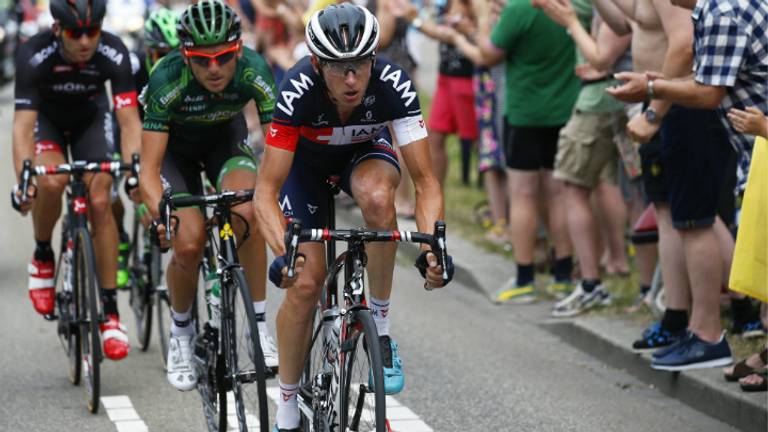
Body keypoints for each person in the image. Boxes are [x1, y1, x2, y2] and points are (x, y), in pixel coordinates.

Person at [252, 5, 453, 431]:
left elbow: (426, 181)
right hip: (303, 171)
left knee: (380, 200)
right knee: (306, 283)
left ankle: (379, 328)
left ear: (373, 60)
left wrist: (435, 245)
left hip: (362, 158)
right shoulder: (296, 90)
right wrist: (282, 251)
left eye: (360, 65)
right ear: (316, 63)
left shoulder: (394, 84)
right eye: (340, 68)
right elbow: (265, 193)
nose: (351, 79)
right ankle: (287, 405)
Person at [605, 0, 768, 370]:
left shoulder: (723, 11)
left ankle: (709, 331)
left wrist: (651, 93)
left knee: (697, 220)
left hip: (757, 142)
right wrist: (652, 85)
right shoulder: (710, 8)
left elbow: (708, 91)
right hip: (754, 149)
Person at [139, 0, 278, 390]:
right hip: (174, 155)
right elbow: (148, 170)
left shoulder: (254, 69)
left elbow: (279, 150)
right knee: (187, 243)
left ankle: (258, 327)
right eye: (202, 60)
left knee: (247, 211)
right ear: (185, 56)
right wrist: (158, 214)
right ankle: (181, 333)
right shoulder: (166, 78)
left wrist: (278, 199)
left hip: (224, 142)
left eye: (223, 57)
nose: (214, 69)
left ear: (238, 49)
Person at [11, 0, 142, 361]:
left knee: (101, 201)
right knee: (50, 183)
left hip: (91, 118)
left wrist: (133, 171)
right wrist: (24, 179)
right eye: (75, 33)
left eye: (92, 31)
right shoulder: (34, 54)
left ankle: (111, 314)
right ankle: (42, 255)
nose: (85, 41)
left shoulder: (113, 51)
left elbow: (129, 120)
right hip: (47, 121)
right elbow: (22, 127)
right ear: (58, 30)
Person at [466, 0, 578, 304]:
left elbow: (488, 55)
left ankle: (525, 277)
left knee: (523, 195)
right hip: (563, 111)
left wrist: (482, 20)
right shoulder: (570, 5)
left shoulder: (519, 9)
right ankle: (563, 276)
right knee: (558, 194)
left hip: (524, 113)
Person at [531, 0, 631, 315]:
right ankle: (616, 268)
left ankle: (591, 282)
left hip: (600, 98)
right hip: (605, 94)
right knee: (606, 184)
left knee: (572, 186)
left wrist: (572, 22)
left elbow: (601, 58)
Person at [113, 7, 181, 289]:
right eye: (159, 52)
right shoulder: (134, 64)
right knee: (113, 188)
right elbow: (126, 118)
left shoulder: (183, 70)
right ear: (148, 50)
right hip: (130, 127)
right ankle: (120, 244)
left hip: (163, 129)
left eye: (172, 52)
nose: (165, 60)